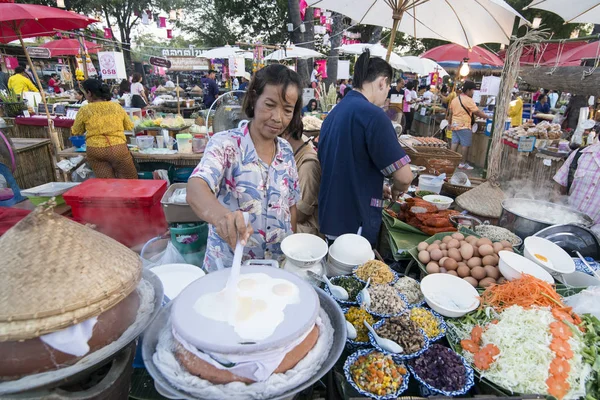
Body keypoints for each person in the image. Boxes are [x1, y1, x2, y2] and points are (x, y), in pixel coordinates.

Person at [186, 64, 302, 272]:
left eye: (287, 110)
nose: (277, 117)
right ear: (254, 99)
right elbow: (196, 187)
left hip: (276, 269)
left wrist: (291, 247)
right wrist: (222, 217)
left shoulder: (285, 150)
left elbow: (291, 205)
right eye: (269, 105)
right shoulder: (225, 144)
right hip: (230, 270)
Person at [318, 50, 413, 246]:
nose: (387, 95)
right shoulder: (373, 116)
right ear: (382, 82)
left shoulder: (335, 113)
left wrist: (376, 186)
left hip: (331, 216)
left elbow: (347, 164)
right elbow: (405, 178)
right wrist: (396, 189)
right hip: (355, 221)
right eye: (388, 88)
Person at [71, 79, 137, 179]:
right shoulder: (116, 106)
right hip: (118, 148)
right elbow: (129, 126)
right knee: (130, 181)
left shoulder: (84, 109)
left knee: (106, 184)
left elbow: (76, 131)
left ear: (89, 92)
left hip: (95, 150)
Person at [281, 125, 321, 235]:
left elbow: (302, 213)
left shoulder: (308, 164)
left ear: (286, 134)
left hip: (304, 235)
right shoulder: (297, 149)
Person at [553, 141, 600, 233]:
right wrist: (557, 212)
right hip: (563, 225)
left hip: (596, 236)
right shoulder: (581, 154)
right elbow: (558, 188)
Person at [448, 80, 488, 170]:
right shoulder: (469, 100)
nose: (473, 92)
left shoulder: (455, 99)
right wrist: (486, 116)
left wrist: (449, 124)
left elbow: (450, 113)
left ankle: (450, 161)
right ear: (468, 90)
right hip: (464, 125)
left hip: (454, 124)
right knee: (465, 145)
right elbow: (477, 112)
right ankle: (462, 163)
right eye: (473, 90)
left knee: (454, 143)